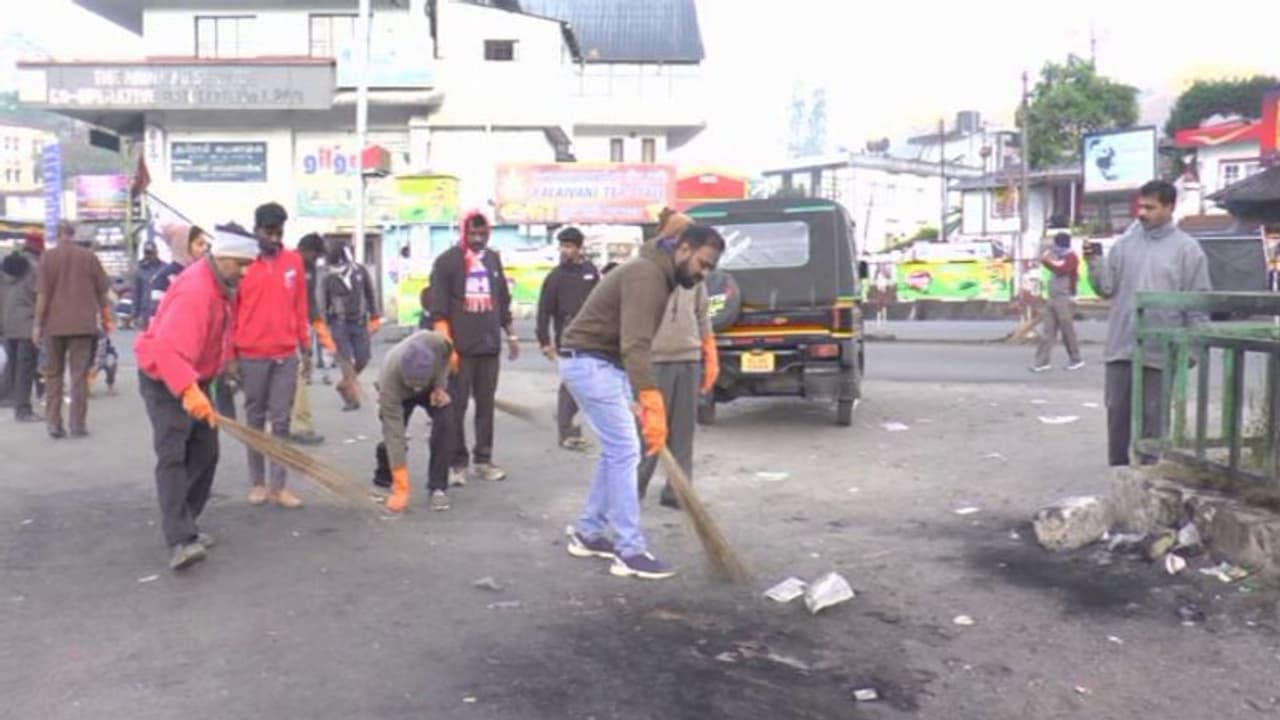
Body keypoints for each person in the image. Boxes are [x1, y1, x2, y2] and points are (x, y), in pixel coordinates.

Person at [558, 224, 724, 580]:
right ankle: (629, 550)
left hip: (599, 363)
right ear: (683, 249)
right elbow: (636, 344)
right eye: (703, 263)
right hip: (589, 362)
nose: (704, 273)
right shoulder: (647, 275)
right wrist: (650, 399)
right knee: (626, 451)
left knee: (616, 450)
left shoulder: (660, 273)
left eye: (710, 268)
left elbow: (630, 346)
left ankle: (588, 532)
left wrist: (638, 393)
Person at [134, 229, 257, 570]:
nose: (245, 272)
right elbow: (168, 349)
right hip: (163, 378)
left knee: (205, 451)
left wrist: (223, 367)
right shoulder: (196, 291)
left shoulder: (223, 287)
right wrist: (188, 391)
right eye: (241, 265)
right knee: (173, 455)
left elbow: (221, 333)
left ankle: (187, 521)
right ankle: (180, 540)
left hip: (199, 376)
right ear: (223, 258)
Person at [1086, 180, 1212, 467]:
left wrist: (1193, 347)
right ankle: (1118, 476)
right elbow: (1106, 288)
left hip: (1160, 352)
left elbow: (1198, 302)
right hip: (1121, 347)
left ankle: (1149, 480)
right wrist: (1093, 263)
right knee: (1116, 414)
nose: (1141, 213)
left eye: (1150, 207)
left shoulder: (1188, 250)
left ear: (1169, 207)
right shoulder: (1124, 245)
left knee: (1153, 420)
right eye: (1140, 206)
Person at [634, 211, 719, 509]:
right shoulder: (647, 269)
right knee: (648, 435)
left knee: (683, 434)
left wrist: (709, 350)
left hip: (688, 358)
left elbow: (702, 313)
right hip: (654, 362)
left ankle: (678, 492)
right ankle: (633, 491)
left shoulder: (695, 274)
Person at [231, 204, 312, 508]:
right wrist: (230, 356)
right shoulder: (243, 263)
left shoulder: (293, 262)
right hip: (250, 354)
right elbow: (231, 311)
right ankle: (258, 483)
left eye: (279, 233)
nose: (275, 239)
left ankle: (279, 487)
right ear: (256, 230)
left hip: (285, 353)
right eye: (269, 233)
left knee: (281, 422)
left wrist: (305, 346)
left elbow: (300, 306)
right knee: (254, 420)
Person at [430, 211, 518, 484]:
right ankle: (458, 463)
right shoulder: (447, 262)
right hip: (460, 349)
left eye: (482, 234)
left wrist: (511, 335)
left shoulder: (492, 259)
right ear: (463, 232)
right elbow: (439, 310)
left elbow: (501, 299)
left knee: (486, 407)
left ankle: (483, 459)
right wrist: (448, 349)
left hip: (489, 347)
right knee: (455, 409)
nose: (478, 239)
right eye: (472, 234)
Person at [33, 220, 112, 439]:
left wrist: (37, 325)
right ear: (72, 234)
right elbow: (102, 292)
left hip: (54, 325)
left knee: (53, 375)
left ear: (57, 235)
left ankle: (54, 424)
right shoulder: (88, 257)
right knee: (78, 376)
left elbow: (42, 296)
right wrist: (106, 319)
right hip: (83, 325)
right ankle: (78, 425)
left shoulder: (47, 258)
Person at [373, 330, 456, 513]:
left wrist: (439, 387)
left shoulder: (437, 343)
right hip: (399, 394)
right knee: (395, 436)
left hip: (431, 387)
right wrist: (402, 488)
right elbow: (395, 434)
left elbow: (445, 357)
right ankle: (386, 473)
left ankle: (438, 487)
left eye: (419, 384)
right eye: (413, 384)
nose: (416, 388)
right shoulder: (389, 381)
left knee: (446, 423)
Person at [536, 226, 600, 450]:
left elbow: (601, 304)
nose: (566, 250)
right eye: (563, 246)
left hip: (591, 337)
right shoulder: (555, 277)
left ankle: (573, 424)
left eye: (570, 246)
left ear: (579, 247)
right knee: (570, 382)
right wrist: (544, 341)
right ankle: (567, 431)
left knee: (587, 382)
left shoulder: (591, 271)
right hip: (567, 336)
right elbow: (544, 310)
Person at [317, 238, 380, 411]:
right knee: (347, 362)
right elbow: (322, 305)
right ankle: (352, 399)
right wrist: (324, 333)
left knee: (363, 358)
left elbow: (370, 293)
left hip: (360, 323)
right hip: (339, 324)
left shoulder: (359, 271)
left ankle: (345, 384)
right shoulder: (327, 277)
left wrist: (375, 316)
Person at [288, 233, 329, 445]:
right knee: (296, 376)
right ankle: (299, 426)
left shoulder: (310, 269)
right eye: (315, 256)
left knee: (301, 374)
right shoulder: (287, 264)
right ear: (305, 249)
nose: (316, 261)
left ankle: (294, 424)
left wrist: (317, 322)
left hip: (302, 327)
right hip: (285, 328)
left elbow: (310, 299)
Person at [0, 231, 44, 422]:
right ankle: (23, 409)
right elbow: (40, 296)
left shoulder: (5, 267)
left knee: (12, 363)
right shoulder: (35, 268)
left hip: (7, 321)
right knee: (26, 367)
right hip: (27, 323)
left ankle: (6, 397)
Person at [1032, 232, 1085, 373]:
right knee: (1047, 331)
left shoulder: (1071, 257)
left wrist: (1046, 260)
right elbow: (1055, 265)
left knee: (1067, 330)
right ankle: (1042, 362)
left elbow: (1061, 269)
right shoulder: (1060, 257)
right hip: (1053, 298)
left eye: (1055, 244)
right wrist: (1048, 259)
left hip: (1064, 298)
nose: (1054, 247)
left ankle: (1076, 359)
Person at [132, 240, 166, 330]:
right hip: (145, 312)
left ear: (156, 252)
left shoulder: (165, 268)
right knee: (145, 340)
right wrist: (135, 314)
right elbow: (136, 293)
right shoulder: (140, 270)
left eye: (151, 252)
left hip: (161, 310)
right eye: (147, 252)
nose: (149, 255)